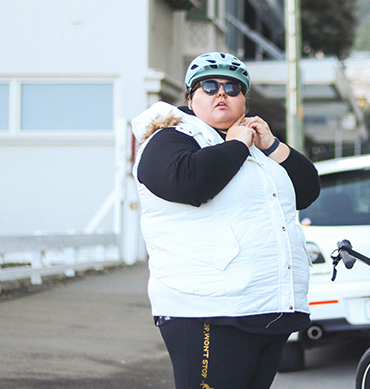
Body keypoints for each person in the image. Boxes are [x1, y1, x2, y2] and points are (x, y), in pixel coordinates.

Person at [130, 52, 320, 389]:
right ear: (190, 97)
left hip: (266, 307)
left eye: (233, 88)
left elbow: (306, 190)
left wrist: (271, 144)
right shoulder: (170, 138)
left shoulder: (253, 150)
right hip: (206, 309)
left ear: (244, 101)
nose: (222, 93)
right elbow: (187, 182)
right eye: (210, 85)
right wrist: (237, 145)